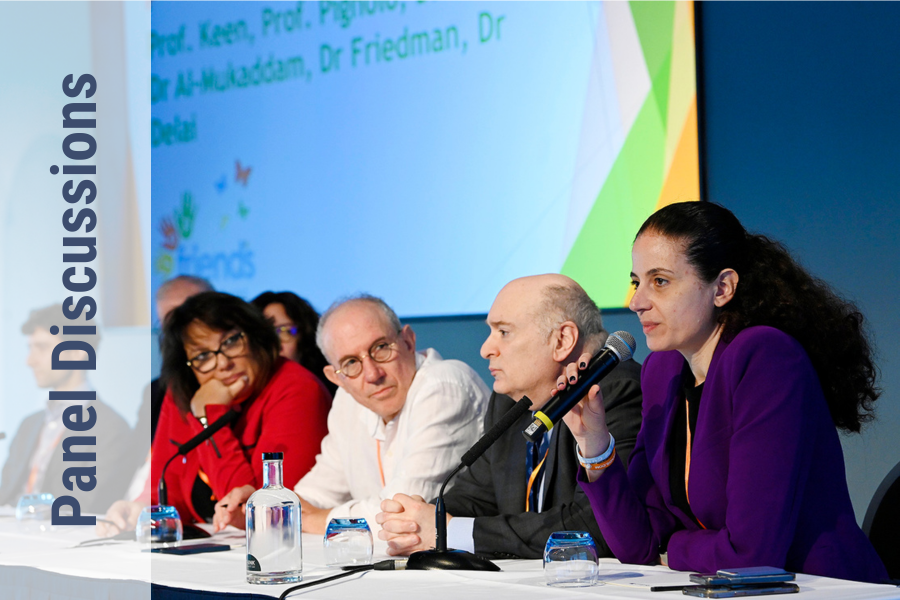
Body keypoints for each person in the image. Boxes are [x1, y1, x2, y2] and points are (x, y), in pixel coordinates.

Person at [563, 201, 887, 583]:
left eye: (660, 281)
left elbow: (751, 556)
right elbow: (638, 545)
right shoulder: (661, 372)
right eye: (637, 282)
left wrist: (673, 548)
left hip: (822, 587)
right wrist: (594, 442)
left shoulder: (765, 357)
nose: (636, 302)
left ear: (722, 288)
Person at [376, 275, 643, 559]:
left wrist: (453, 532)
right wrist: (420, 521)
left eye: (503, 332)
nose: (485, 350)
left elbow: (593, 525)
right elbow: (476, 495)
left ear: (562, 340)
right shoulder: (509, 402)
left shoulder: (613, 391)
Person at [214, 295, 489, 535]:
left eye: (381, 348)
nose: (372, 374)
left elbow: (402, 512)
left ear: (408, 341)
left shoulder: (444, 385)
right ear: (336, 378)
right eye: (351, 362)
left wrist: (315, 521)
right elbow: (320, 490)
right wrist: (267, 508)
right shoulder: (349, 399)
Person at [151, 291, 331, 527]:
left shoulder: (298, 388)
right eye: (203, 356)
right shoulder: (184, 392)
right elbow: (165, 498)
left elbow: (261, 511)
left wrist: (209, 415)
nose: (223, 363)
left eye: (231, 342)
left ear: (255, 335)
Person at [98, 275, 213, 536]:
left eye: (185, 316)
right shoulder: (157, 390)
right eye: (167, 322)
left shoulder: (225, 390)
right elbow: (137, 462)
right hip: (133, 517)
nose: (177, 331)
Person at [0, 304, 130, 512]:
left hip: (54, 530)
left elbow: (85, 507)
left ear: (78, 353)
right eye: (30, 348)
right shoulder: (29, 424)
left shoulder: (110, 429)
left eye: (42, 348)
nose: (30, 361)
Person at [251, 291, 336, 396]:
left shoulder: (315, 388)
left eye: (285, 331)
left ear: (306, 336)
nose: (276, 345)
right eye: (266, 334)